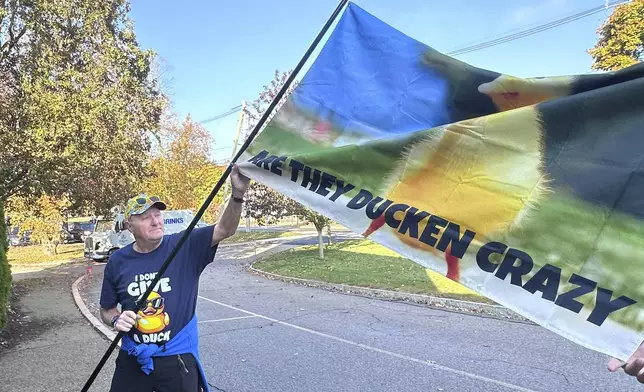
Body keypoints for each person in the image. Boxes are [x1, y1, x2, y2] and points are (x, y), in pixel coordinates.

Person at [99, 164, 250, 392]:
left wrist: (237, 195)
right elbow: (107, 309)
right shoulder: (118, 261)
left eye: (157, 215)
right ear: (130, 226)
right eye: (144, 217)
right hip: (134, 357)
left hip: (177, 359)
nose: (155, 221)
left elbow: (225, 229)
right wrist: (115, 320)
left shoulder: (184, 245)